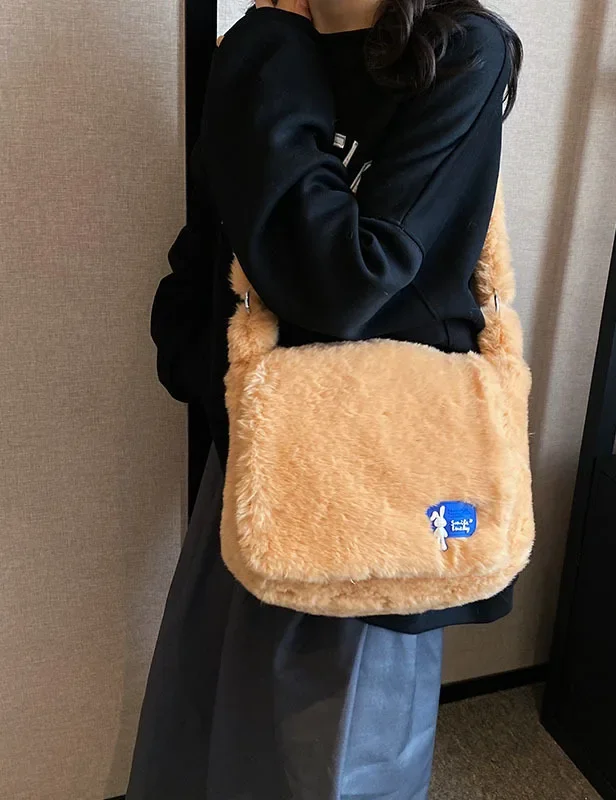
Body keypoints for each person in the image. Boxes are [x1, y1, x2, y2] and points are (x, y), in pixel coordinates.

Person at [127, 1, 523, 797]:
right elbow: (212, 240)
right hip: (258, 455)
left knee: (330, 757)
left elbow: (343, 281)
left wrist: (272, 46)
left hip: (380, 471)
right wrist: (200, 363)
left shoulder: (457, 49)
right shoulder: (262, 45)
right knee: (209, 726)